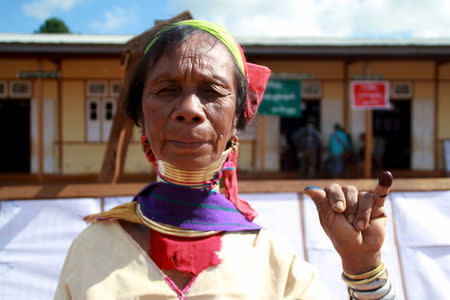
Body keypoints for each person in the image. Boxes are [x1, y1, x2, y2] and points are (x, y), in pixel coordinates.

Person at [54, 20, 395, 299]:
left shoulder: (273, 262)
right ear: (141, 114)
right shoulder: (91, 250)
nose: (189, 110)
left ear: (237, 120)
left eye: (212, 92)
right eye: (167, 90)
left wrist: (364, 269)